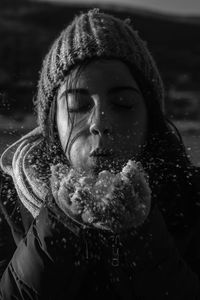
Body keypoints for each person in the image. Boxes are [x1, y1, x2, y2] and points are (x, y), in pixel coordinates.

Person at [0, 8, 200, 300]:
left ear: (150, 120)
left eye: (122, 103)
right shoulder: (7, 203)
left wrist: (140, 234)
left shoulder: (191, 199)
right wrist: (60, 223)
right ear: (52, 125)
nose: (99, 122)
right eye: (77, 106)